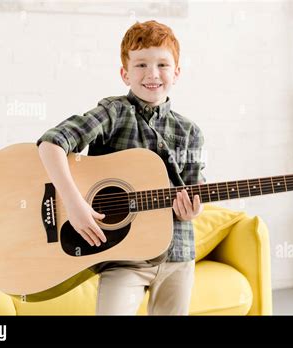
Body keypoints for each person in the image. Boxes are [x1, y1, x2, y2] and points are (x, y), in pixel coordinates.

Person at [36, 20, 206, 315]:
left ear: (176, 73)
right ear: (125, 73)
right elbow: (51, 143)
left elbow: (195, 191)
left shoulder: (190, 131)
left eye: (162, 65)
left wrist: (194, 208)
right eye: (141, 64)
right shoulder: (113, 113)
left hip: (178, 254)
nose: (152, 74)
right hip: (123, 256)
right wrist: (75, 205)